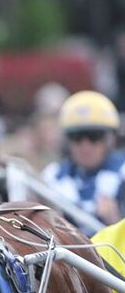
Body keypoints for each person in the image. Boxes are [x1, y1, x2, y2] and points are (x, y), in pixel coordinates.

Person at [43, 91, 123, 225]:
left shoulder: (122, 173)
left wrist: (117, 222)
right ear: (67, 140)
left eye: (94, 136)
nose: (85, 146)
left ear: (110, 139)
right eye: (77, 137)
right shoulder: (52, 176)